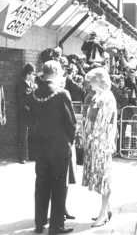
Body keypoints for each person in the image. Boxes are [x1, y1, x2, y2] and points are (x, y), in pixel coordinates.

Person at [31, 61, 76, 235]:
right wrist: (69, 142)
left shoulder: (35, 93)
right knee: (58, 186)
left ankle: (39, 223)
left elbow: (32, 120)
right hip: (59, 147)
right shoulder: (62, 93)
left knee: (41, 184)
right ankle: (56, 226)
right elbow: (71, 123)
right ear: (56, 71)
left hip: (41, 147)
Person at [81, 67, 118, 227]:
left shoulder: (107, 97)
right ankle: (106, 211)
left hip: (101, 143)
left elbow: (102, 123)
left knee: (103, 178)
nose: (90, 84)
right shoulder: (99, 96)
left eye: (92, 81)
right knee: (101, 177)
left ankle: (103, 214)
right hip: (95, 142)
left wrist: (90, 137)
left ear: (98, 81)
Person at [15, 63, 37, 164]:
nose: (34, 76)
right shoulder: (20, 85)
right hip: (23, 114)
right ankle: (22, 157)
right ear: (28, 75)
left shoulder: (34, 85)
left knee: (32, 135)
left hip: (32, 115)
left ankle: (32, 155)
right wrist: (28, 108)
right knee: (22, 136)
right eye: (33, 74)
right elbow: (20, 101)